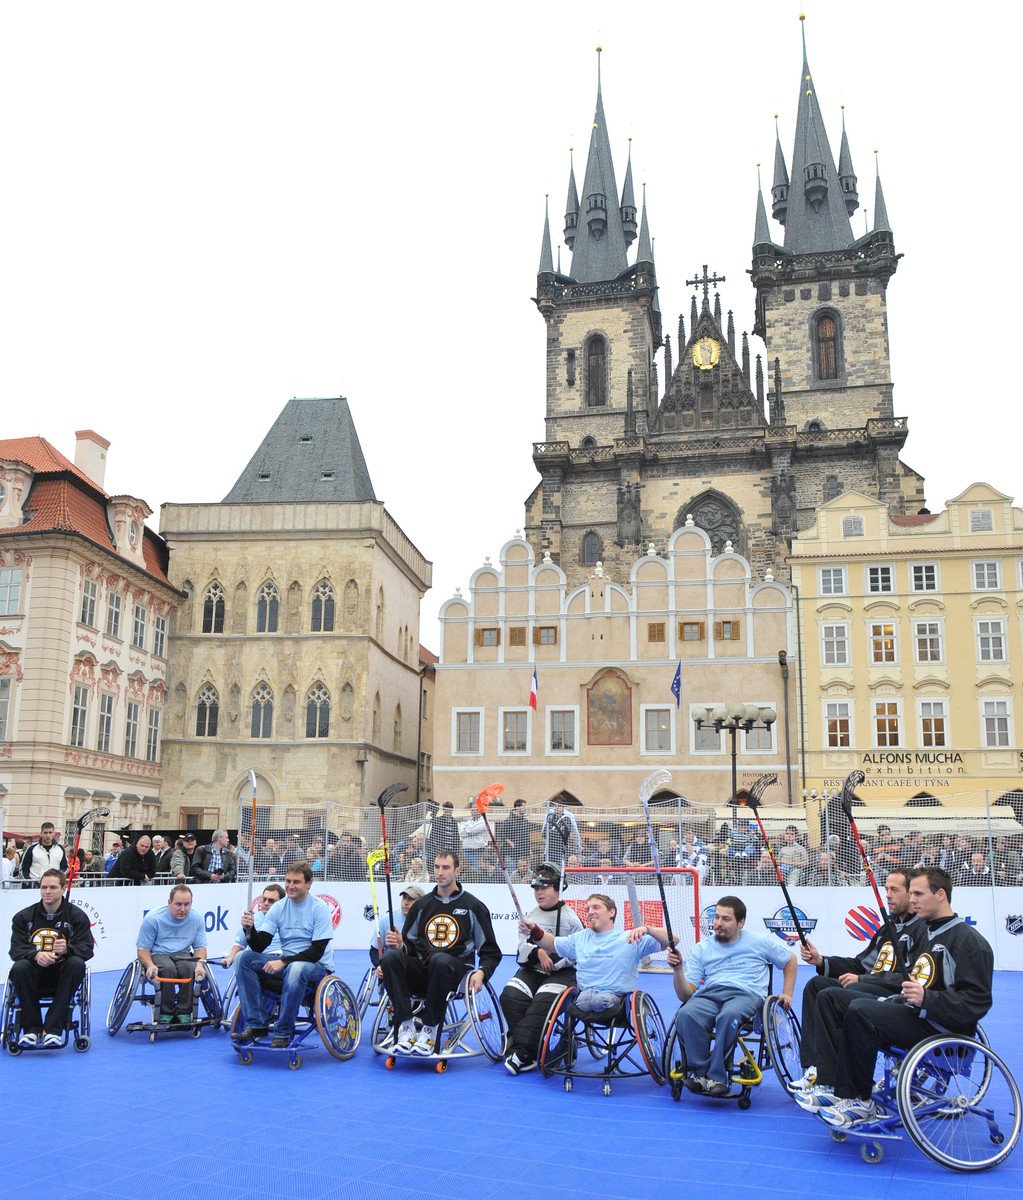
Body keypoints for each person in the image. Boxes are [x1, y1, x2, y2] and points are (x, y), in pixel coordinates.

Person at [812, 867, 994, 1128]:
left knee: (862, 1011)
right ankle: (835, 1087)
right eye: (911, 894)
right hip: (919, 1015)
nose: (913, 900)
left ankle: (859, 1101)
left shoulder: (967, 941)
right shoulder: (931, 933)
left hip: (942, 1028)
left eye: (918, 894)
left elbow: (978, 1002)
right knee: (841, 1000)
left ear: (940, 894)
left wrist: (926, 999)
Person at [789, 869, 926, 1107]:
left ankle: (831, 1081)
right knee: (816, 985)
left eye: (895, 890)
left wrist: (863, 981)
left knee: (830, 996)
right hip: (870, 987)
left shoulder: (921, 930)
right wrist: (822, 961)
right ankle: (815, 1068)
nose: (888, 895)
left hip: (890, 995)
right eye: (886, 889)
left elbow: (910, 980)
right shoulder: (888, 928)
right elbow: (860, 964)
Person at [669, 894, 795, 1096]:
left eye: (726, 919)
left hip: (746, 995)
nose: (718, 923)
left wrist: (787, 993)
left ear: (741, 922)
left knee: (728, 1016)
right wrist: (677, 970)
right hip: (710, 995)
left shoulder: (759, 942)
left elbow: (790, 960)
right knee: (686, 1014)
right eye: (716, 917)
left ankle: (718, 1077)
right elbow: (686, 995)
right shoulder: (701, 949)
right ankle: (701, 1074)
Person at [380, 850, 501, 1056]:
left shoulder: (474, 907)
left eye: (445, 868)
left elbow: (490, 951)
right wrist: (401, 946)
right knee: (390, 957)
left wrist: (482, 973)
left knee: (440, 959)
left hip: (456, 974)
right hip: (424, 972)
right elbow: (410, 946)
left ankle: (429, 1030)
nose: (440, 872)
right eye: (436, 867)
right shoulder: (421, 906)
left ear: (457, 871)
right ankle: (406, 1026)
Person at [234, 862, 335, 1048]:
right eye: (288, 881)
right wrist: (249, 929)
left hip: (317, 967)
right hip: (289, 962)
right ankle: (256, 1023)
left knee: (296, 968)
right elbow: (260, 945)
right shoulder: (278, 907)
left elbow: (316, 952)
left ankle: (283, 1031)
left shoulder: (319, 908)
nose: (290, 886)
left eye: (296, 882)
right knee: (243, 958)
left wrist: (283, 961)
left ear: (309, 884)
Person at [522, 891, 672, 1015]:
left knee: (597, 1001)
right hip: (586, 994)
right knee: (585, 1001)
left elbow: (672, 940)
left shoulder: (629, 938)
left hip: (615, 997)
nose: (590, 912)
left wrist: (648, 929)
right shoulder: (581, 937)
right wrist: (534, 929)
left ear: (611, 912)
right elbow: (552, 944)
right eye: (588, 909)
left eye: (596, 907)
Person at [500, 863, 583, 1074]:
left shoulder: (571, 919)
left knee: (543, 1001)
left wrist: (556, 961)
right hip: (533, 969)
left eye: (544, 887)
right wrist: (538, 952)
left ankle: (522, 1051)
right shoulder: (531, 915)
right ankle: (528, 1047)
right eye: (536, 888)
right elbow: (521, 948)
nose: (539, 893)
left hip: (564, 973)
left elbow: (577, 954)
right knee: (510, 995)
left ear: (557, 888)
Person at [8, 869, 93, 1046]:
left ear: (63, 889)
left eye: (53, 887)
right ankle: (32, 1029)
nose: (47, 891)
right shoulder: (23, 917)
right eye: (44, 887)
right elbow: (15, 950)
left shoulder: (77, 916)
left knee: (77, 963)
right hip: (33, 974)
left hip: (63, 975)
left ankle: (53, 1029)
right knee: (19, 967)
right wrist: (35, 954)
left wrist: (68, 949)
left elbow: (86, 949)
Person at [136, 884, 208, 1025]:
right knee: (168, 969)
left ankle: (184, 1012)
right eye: (178, 904)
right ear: (169, 903)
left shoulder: (196, 918)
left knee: (189, 967)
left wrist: (199, 965)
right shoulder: (153, 919)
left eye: (187, 904)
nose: (183, 909)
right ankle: (165, 1012)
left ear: (191, 903)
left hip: (183, 953)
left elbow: (200, 947)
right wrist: (150, 965)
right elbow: (143, 950)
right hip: (159, 953)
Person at [223, 884, 285, 968]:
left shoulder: (286, 919)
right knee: (241, 956)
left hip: (277, 959)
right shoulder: (253, 918)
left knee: (244, 958)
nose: (266, 903)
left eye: (271, 901)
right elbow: (240, 942)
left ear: (281, 903)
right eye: (264, 899)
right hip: (254, 958)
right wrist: (230, 957)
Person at [369, 884, 423, 970]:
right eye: (404, 898)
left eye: (411, 899)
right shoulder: (386, 919)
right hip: (394, 968)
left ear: (421, 902)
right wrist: (379, 965)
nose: (405, 902)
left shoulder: (427, 920)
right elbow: (374, 950)